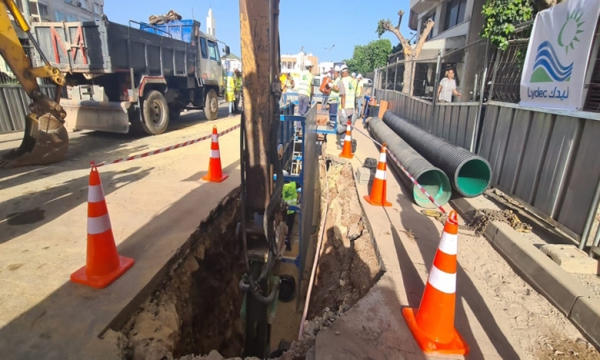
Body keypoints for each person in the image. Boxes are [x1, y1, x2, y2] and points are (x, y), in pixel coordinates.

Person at [337, 65, 356, 148]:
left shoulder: (342, 81)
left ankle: (342, 145)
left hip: (345, 108)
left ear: (343, 72)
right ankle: (348, 144)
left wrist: (343, 109)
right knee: (349, 128)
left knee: (342, 127)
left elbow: (343, 96)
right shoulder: (353, 81)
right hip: (351, 108)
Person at [282, 181, 299, 251]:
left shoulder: (280, 186)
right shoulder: (293, 184)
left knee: (283, 227)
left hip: (283, 211)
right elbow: (301, 183)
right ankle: (287, 244)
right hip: (292, 211)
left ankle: (283, 243)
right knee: (289, 228)